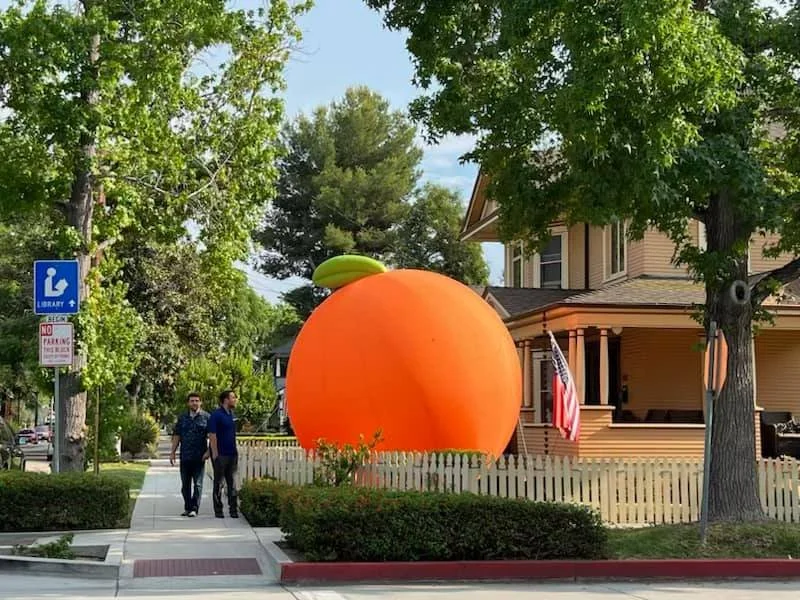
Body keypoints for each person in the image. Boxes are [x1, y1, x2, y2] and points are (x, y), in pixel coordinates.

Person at [170, 393, 210, 517]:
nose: (194, 403)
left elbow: (213, 436)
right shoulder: (182, 418)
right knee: (185, 485)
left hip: (199, 457)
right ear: (188, 403)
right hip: (185, 456)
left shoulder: (207, 417)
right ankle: (187, 507)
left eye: (197, 400)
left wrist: (209, 452)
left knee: (198, 484)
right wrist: (172, 453)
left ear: (201, 402)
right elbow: (177, 435)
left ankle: (194, 508)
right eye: (192, 401)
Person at [209, 389, 239, 518]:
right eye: (233, 397)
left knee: (232, 483)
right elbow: (212, 435)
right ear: (226, 400)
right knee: (219, 483)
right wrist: (215, 453)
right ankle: (218, 510)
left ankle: (233, 509)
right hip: (221, 455)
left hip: (232, 453)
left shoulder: (231, 414)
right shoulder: (216, 415)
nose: (235, 400)